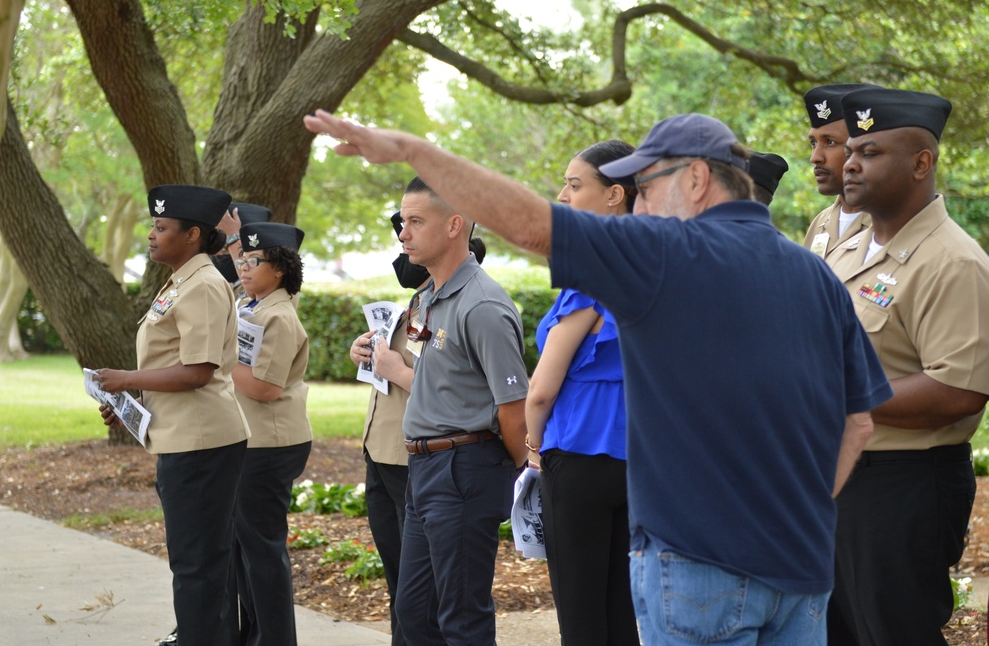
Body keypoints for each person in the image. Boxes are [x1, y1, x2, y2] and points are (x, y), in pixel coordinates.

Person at [303, 109, 893, 646]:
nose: (639, 202)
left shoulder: (666, 253)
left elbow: (533, 226)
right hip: (802, 564)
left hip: (700, 562)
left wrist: (414, 151)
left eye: (648, 184)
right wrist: (804, 506)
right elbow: (858, 422)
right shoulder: (814, 273)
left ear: (695, 181)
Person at [825, 87, 989, 646]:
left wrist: (831, 397)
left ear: (922, 163)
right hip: (838, 477)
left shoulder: (954, 261)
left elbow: (958, 391)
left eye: (870, 152)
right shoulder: (848, 249)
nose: (849, 162)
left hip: (903, 486)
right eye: (851, 151)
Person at [94, 184, 249, 646]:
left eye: (162, 227)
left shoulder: (201, 285)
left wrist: (125, 379)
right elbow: (173, 363)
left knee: (197, 565)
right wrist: (131, 403)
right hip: (184, 435)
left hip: (201, 442)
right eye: (153, 226)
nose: (151, 235)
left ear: (192, 234)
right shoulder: (184, 278)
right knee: (198, 562)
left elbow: (199, 371)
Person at [377, 175, 527, 646]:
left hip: (462, 468)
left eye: (415, 221)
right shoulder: (431, 298)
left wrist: (507, 469)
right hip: (425, 468)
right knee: (416, 612)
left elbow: (513, 408)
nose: (403, 232)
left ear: (454, 225)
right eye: (403, 221)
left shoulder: (482, 304)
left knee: (462, 616)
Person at [349, 208, 488, 646]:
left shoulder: (462, 306)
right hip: (383, 451)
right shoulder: (414, 303)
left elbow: (458, 390)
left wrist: (395, 370)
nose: (405, 243)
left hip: (421, 459)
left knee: (434, 598)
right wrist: (365, 353)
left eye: (413, 231)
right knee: (404, 588)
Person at [524, 139, 640, 646]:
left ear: (615, 194)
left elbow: (541, 391)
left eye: (575, 185)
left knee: (580, 611)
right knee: (621, 608)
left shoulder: (591, 276)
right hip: (639, 458)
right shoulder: (653, 266)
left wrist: (531, 446)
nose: (563, 197)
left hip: (577, 454)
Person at [229, 221, 313, 646]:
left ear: (278, 268)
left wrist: (218, 358)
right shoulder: (254, 305)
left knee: (262, 551)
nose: (243, 267)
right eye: (241, 259)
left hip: (269, 444)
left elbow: (265, 388)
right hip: (252, 440)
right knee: (245, 551)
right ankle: (256, 635)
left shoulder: (278, 315)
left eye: (253, 261)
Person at [801, 83, 881, 258]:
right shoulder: (821, 223)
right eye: (813, 143)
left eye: (830, 142)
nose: (815, 157)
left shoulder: (890, 225)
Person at [213, 202, 273, 300]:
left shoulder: (274, 281)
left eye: (226, 249)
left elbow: (256, 294)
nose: (218, 254)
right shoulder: (228, 284)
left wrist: (232, 236)